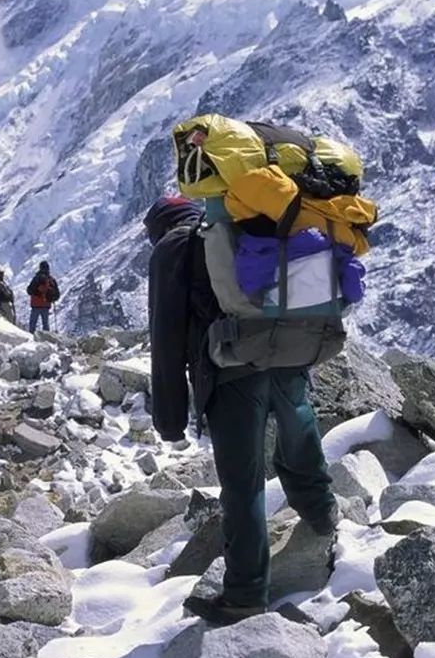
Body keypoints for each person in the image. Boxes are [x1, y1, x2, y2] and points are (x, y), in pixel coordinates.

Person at [145, 194, 338, 626]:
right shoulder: (249, 224)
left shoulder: (173, 247)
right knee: (298, 435)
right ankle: (324, 515)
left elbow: (167, 335)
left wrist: (170, 417)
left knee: (243, 484)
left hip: (233, 374)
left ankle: (245, 596)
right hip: (289, 354)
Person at [26, 260, 60, 333]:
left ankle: (31, 338)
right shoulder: (51, 279)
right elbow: (57, 294)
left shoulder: (36, 278)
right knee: (45, 324)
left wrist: (37, 293)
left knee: (33, 324)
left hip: (36, 305)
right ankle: (46, 339)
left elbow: (29, 290)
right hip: (46, 305)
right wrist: (52, 298)